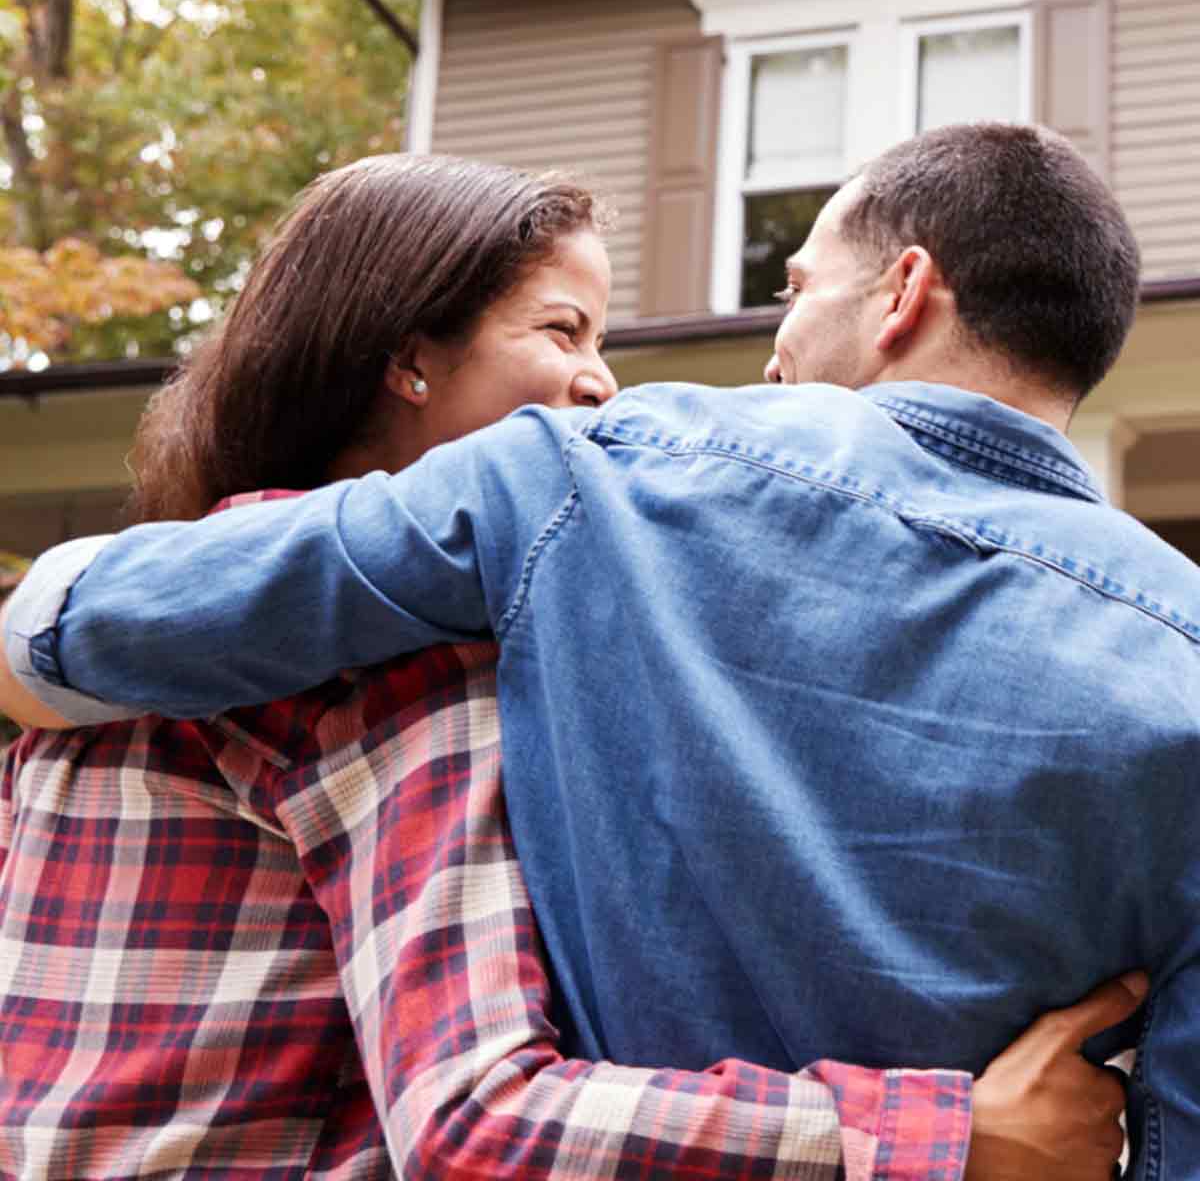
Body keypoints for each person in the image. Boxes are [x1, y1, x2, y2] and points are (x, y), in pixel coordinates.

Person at [0, 134, 1156, 1178]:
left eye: (791, 289)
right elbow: (481, 1121)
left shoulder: (153, 625)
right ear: (409, 359)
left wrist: (32, 629)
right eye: (566, 332)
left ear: (904, 294)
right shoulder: (398, 667)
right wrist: (954, 1139)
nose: (604, 385)